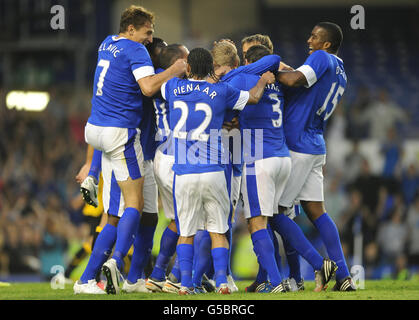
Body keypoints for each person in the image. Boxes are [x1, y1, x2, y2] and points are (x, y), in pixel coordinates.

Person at [80, 5, 186, 295]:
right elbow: (148, 88)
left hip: (138, 151)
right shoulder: (143, 64)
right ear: (131, 30)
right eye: (147, 33)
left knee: (149, 215)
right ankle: (94, 274)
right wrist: (176, 69)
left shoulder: (108, 44)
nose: (149, 39)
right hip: (123, 143)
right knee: (123, 211)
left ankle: (136, 277)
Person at [163, 47, 275, 295]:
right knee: (218, 229)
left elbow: (152, 87)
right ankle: (223, 281)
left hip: (183, 172)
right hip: (213, 170)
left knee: (187, 232)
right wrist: (264, 81)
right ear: (211, 67)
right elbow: (253, 98)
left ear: (189, 68)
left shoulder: (171, 87)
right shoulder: (222, 91)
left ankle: (184, 284)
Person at [272, 22, 355, 291]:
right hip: (316, 144)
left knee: (274, 212)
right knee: (316, 210)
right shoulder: (341, 70)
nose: (309, 40)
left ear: (327, 44)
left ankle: (320, 265)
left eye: (315, 36)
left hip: (297, 143)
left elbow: (294, 80)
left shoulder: (321, 58)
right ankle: (344, 277)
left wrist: (266, 66)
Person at [145, 43, 190, 294]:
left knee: (178, 219)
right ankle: (178, 277)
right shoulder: (177, 85)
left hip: (162, 156)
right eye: (186, 58)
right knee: (197, 219)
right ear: (178, 62)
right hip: (177, 157)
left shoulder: (157, 83)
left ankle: (159, 274)